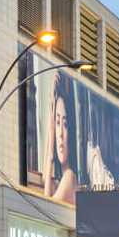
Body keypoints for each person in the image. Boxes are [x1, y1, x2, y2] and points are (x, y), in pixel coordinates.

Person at [41, 70, 78, 204]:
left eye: (65, 124)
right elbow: (45, 179)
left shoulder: (70, 178)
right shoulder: (59, 181)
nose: (60, 133)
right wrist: (51, 118)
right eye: (57, 123)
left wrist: (51, 150)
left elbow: (47, 206)